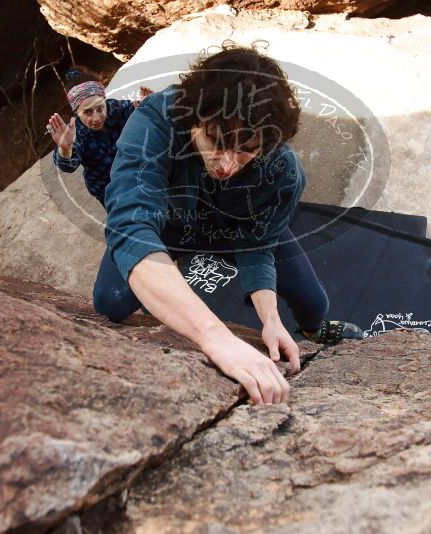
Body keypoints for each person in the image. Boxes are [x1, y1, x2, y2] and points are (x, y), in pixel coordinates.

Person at [96, 42, 362, 405]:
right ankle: (166, 295)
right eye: (217, 141)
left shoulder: (282, 170)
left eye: (246, 150)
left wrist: (270, 319)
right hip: (171, 224)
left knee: (314, 301)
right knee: (110, 302)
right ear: (195, 117)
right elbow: (130, 227)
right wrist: (215, 338)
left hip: (234, 226)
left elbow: (256, 246)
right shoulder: (154, 122)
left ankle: (314, 331)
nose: (226, 164)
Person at [46, 67, 151, 205]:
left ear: (104, 101)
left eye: (100, 108)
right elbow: (69, 166)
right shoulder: (77, 133)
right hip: (109, 190)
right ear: (76, 112)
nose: (96, 118)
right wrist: (66, 148)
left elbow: (136, 111)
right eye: (87, 112)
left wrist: (146, 105)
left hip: (137, 173)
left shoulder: (115, 108)